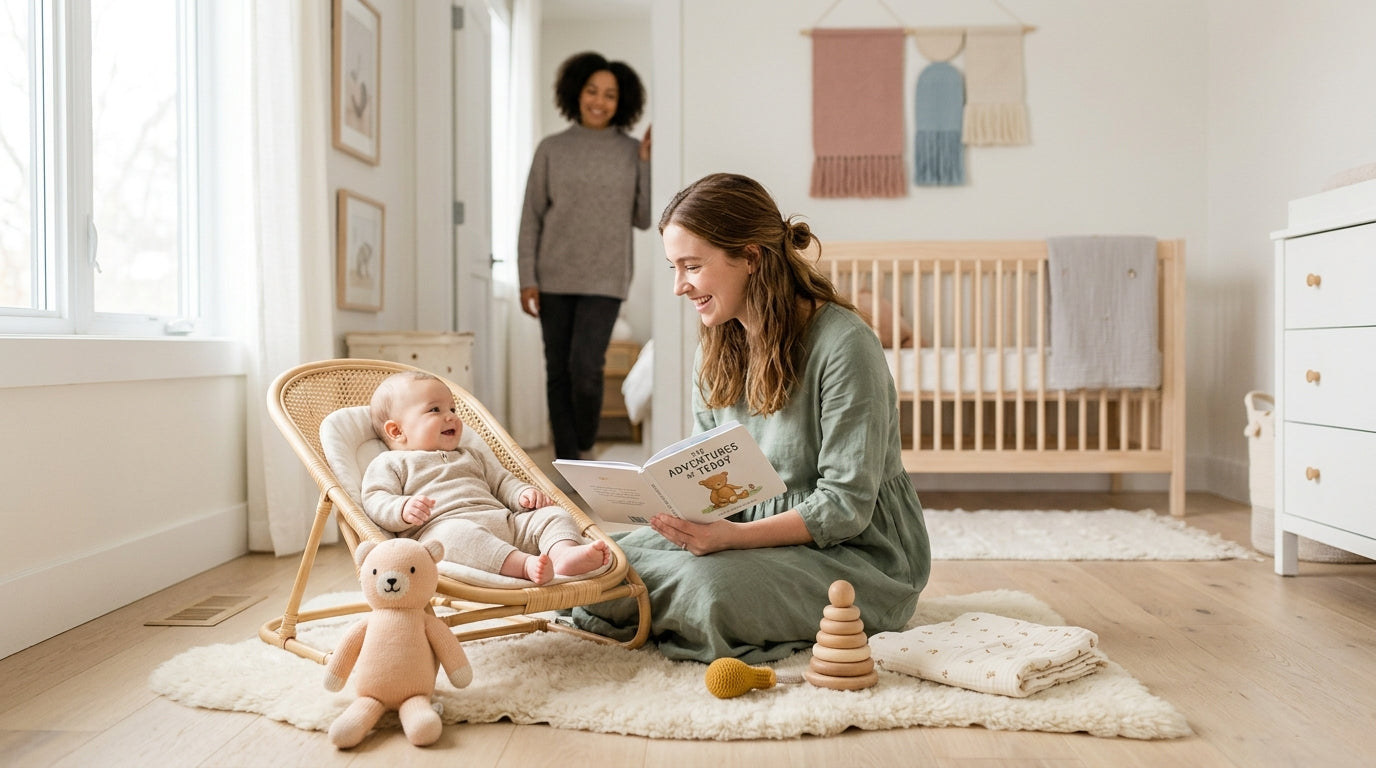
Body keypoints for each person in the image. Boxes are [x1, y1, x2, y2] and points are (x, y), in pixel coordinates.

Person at [572, 173, 932, 663]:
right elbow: (709, 470)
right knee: (606, 563)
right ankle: (631, 598)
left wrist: (733, 538)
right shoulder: (717, 346)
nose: (680, 286)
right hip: (741, 530)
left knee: (707, 592)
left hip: (856, 554)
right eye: (674, 268)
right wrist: (671, 506)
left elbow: (846, 506)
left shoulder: (846, 345)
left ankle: (652, 610)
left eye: (692, 266)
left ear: (751, 258)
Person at [518, 51, 652, 460]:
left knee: (586, 371)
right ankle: (568, 460)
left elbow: (645, 218)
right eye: (592, 90)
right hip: (553, 276)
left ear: (622, 101)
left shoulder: (631, 151)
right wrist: (527, 277)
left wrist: (646, 163)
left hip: (606, 279)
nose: (599, 100)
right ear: (575, 93)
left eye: (610, 94)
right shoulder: (551, 149)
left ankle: (585, 447)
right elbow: (531, 217)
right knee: (558, 372)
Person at [362, 371, 609, 585]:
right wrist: (402, 509)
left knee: (554, 515)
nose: (451, 417)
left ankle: (564, 554)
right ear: (397, 431)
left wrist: (521, 494)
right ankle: (524, 565)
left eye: (452, 409)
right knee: (454, 537)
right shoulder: (391, 463)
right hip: (445, 529)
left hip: (505, 522)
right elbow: (375, 498)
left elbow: (502, 481)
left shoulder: (471, 455)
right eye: (435, 410)